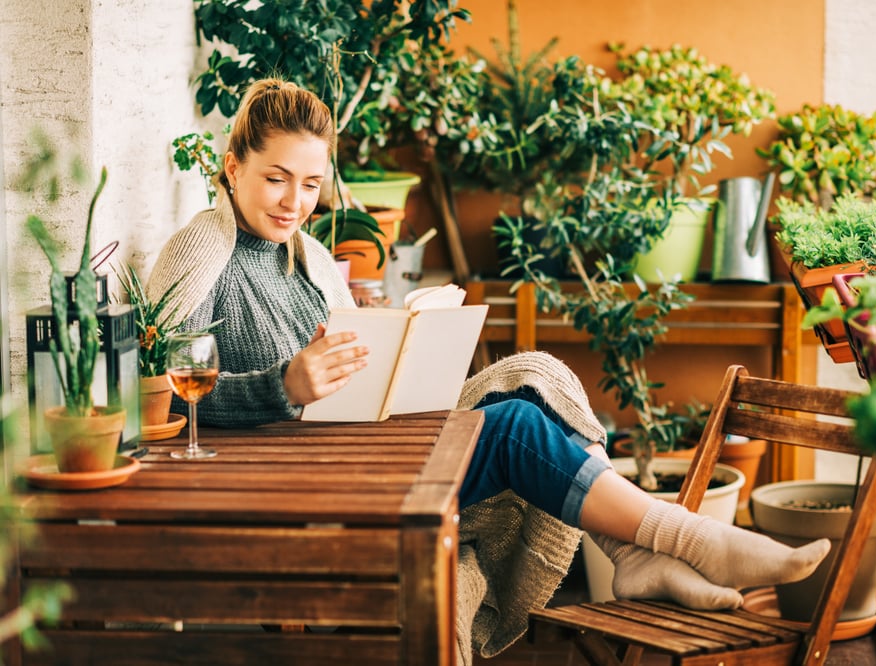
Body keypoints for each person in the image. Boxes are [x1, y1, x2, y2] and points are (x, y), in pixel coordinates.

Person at [148, 78, 830, 661]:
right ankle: (681, 541)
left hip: (356, 452)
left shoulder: (309, 259)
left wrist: (400, 340)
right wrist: (283, 387)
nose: (294, 202)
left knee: (530, 383)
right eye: (275, 178)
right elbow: (160, 401)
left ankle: (635, 556)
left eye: (310, 185)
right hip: (303, 487)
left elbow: (346, 370)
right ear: (231, 167)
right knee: (510, 431)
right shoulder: (201, 250)